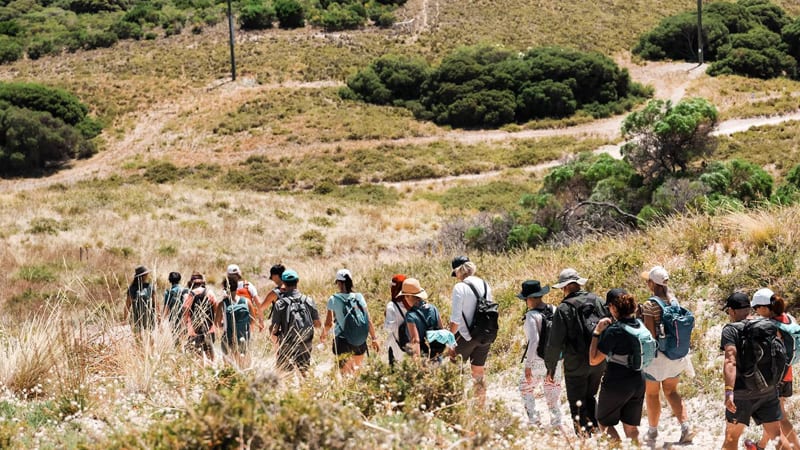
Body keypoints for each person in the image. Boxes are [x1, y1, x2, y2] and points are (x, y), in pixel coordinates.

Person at [720, 292, 790, 450]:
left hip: (742, 394)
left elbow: (730, 360)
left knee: (731, 437)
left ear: (732, 311)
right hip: (768, 390)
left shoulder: (731, 330)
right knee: (777, 436)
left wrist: (729, 391)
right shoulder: (766, 325)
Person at [543, 268, 607, 436]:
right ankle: (597, 432)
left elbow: (555, 343)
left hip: (575, 363)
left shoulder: (564, 309)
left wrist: (550, 368)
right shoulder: (597, 300)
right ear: (578, 284)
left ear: (564, 288)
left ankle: (584, 438)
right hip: (598, 359)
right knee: (591, 395)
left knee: (577, 402)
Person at [640, 266, 694, 444]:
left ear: (651, 283)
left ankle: (653, 432)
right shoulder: (674, 301)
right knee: (671, 391)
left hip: (658, 358)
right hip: (676, 355)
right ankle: (686, 427)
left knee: (652, 394)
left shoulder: (650, 305)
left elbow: (650, 336)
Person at [589, 289, 646, 444]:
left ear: (614, 307)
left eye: (609, 307)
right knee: (631, 428)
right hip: (639, 380)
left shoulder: (614, 331)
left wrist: (596, 332)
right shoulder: (639, 324)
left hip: (616, 382)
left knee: (604, 423)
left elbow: (594, 360)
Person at [751, 288, 800, 450]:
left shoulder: (770, 326)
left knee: (779, 418)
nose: (756, 312)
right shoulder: (789, 318)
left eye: (756, 308)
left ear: (764, 308)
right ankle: (760, 445)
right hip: (788, 374)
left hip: (776, 377)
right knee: (776, 415)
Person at [518, 280, 563, 429]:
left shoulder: (531, 316)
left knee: (525, 387)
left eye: (525, 299)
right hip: (555, 360)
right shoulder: (554, 309)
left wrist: (528, 365)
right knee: (553, 391)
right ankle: (557, 424)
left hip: (537, 360)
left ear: (530, 298)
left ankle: (534, 419)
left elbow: (534, 341)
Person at [449, 255, 493, 405]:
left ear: (458, 272)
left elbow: (455, 319)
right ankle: (481, 408)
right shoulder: (485, 284)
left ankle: (456, 407)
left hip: (465, 336)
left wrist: (450, 341)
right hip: (485, 335)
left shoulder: (459, 287)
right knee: (479, 373)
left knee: (454, 372)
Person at [320, 269, 380, 375]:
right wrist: (374, 338)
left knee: (345, 375)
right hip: (360, 340)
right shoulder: (359, 297)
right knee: (356, 372)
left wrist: (323, 336)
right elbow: (368, 319)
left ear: (338, 283)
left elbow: (328, 323)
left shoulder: (333, 299)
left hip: (342, 341)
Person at [270, 269, 321, 374]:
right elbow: (317, 324)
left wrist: (273, 333)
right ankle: (306, 389)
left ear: (283, 283)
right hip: (305, 342)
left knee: (284, 373)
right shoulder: (308, 300)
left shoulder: (280, 303)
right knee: (305, 372)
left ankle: (289, 390)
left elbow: (274, 328)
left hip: (287, 344)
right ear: (297, 281)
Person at [398, 278, 451, 360]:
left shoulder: (410, 315)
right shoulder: (433, 308)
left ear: (408, 296)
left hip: (424, 356)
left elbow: (415, 340)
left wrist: (417, 362)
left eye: (405, 296)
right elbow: (441, 330)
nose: (404, 298)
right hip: (437, 354)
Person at [219, 264, 259, 367]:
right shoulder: (246, 301)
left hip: (228, 336)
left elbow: (216, 323)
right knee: (244, 360)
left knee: (227, 363)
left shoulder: (222, 303)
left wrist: (223, 325)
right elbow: (253, 320)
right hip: (243, 335)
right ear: (237, 287)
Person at [182, 272, 222, 362]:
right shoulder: (209, 292)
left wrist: (185, 324)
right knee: (210, 352)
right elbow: (217, 308)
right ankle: (212, 369)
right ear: (202, 283)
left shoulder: (191, 294)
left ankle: (201, 371)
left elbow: (185, 310)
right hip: (209, 328)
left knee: (197, 354)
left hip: (194, 329)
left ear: (191, 284)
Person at [125, 265, 157, 340]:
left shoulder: (132, 288)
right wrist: (158, 315)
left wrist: (125, 318)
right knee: (150, 337)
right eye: (146, 274)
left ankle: (142, 351)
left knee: (138, 338)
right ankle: (150, 351)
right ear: (143, 276)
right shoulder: (149, 287)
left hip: (136, 316)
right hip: (148, 315)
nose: (147, 276)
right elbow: (155, 302)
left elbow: (127, 305)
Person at [385, 274, 408, 366]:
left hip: (396, 346)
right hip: (412, 346)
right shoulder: (412, 302)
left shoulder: (391, 306)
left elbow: (389, 328)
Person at [260, 264, 285, 338]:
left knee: (278, 348)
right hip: (295, 324)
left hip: (279, 326)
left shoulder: (275, 292)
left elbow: (262, 307)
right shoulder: (294, 290)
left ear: (276, 276)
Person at [163, 271, 187, 340]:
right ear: (179, 279)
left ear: (169, 280)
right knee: (185, 338)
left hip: (173, 318)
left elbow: (166, 307)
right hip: (185, 317)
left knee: (176, 338)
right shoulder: (185, 290)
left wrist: (162, 319)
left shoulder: (169, 292)